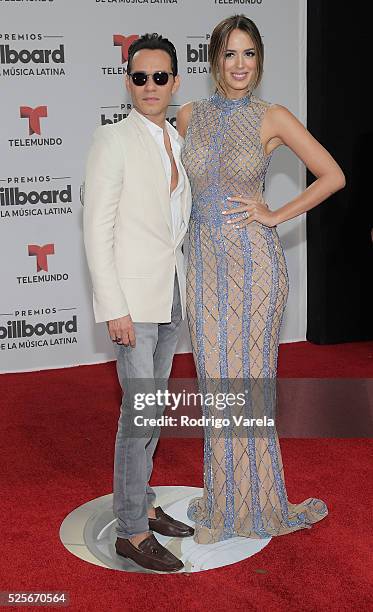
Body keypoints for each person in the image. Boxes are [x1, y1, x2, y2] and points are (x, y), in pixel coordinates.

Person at [177, 14, 345, 544]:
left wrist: (276, 214)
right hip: (204, 264)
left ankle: (255, 503)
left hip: (255, 265)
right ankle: (225, 504)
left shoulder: (272, 116)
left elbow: (333, 174)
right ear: (214, 61)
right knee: (215, 385)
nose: (241, 64)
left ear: (261, 60)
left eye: (249, 54)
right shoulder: (188, 116)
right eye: (230, 54)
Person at [83, 33, 193, 572]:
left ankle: (142, 506)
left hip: (170, 293)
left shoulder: (176, 140)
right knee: (140, 415)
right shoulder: (113, 141)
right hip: (133, 302)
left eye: (161, 77)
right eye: (140, 77)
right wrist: (114, 306)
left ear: (174, 81)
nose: (150, 86)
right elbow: (95, 230)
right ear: (129, 81)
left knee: (152, 414)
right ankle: (129, 530)